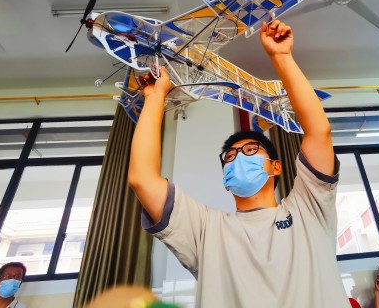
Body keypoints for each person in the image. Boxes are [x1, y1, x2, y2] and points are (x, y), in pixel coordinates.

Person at [128, 20, 348, 307]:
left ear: (276, 166)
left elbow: (319, 133)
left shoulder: (310, 209)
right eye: (230, 157)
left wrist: (282, 57)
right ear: (226, 179)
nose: (238, 158)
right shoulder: (205, 229)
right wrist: (155, 96)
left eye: (251, 150)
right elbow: (142, 179)